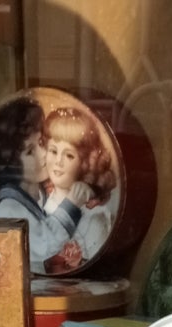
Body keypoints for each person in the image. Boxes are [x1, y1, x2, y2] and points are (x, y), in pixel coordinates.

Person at [0, 94, 96, 275]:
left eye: (41, 143)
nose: (43, 154)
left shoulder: (40, 193)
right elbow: (45, 246)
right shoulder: (7, 209)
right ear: (10, 161)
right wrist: (71, 205)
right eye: (30, 151)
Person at [39, 103, 117, 271]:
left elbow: (97, 273)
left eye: (69, 155)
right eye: (53, 151)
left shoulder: (94, 217)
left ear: (84, 163)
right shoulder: (38, 201)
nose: (58, 161)